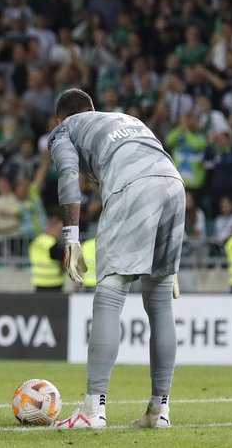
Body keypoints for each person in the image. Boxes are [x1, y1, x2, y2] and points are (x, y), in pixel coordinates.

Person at [47, 88, 184, 430]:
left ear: (60, 118)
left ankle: (93, 410)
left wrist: (71, 238)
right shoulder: (128, 120)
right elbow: (158, 162)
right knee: (160, 303)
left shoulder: (65, 129)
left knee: (109, 295)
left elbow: (67, 176)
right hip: (174, 185)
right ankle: (159, 410)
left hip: (133, 188)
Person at [29, 216, 65, 292]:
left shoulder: (36, 241)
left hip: (39, 282)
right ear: (54, 228)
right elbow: (63, 262)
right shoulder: (52, 244)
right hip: (54, 283)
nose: (61, 233)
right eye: (60, 230)